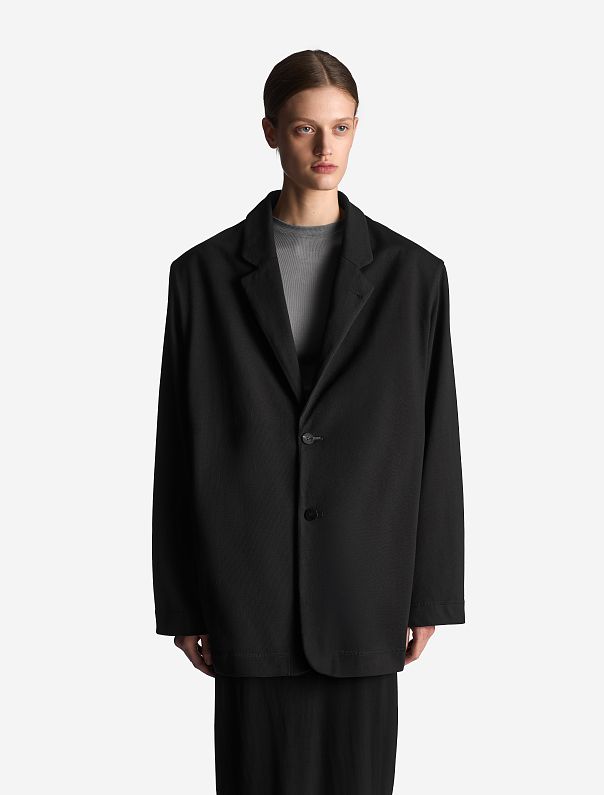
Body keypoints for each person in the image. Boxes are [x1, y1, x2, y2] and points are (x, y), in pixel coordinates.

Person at [152, 49, 465, 795]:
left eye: (341, 127)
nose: (326, 148)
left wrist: (430, 593)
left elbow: (437, 437)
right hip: (246, 589)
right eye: (304, 129)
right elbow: (177, 443)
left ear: (357, 129)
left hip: (365, 590)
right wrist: (181, 600)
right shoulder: (201, 276)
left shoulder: (413, 277)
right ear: (269, 132)